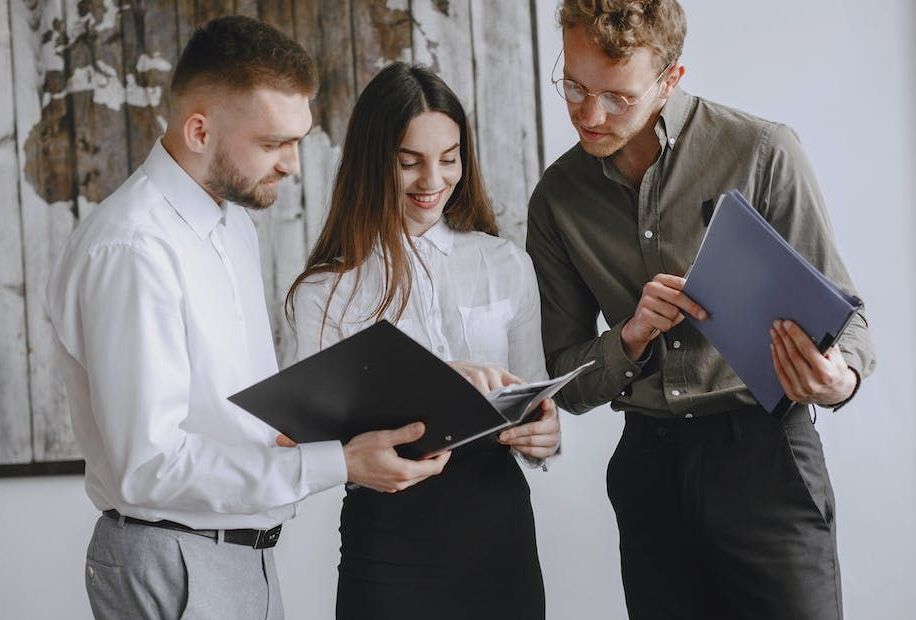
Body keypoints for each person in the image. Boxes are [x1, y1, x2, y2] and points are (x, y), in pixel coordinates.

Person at [46, 16, 446, 620]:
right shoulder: (133, 249)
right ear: (199, 130)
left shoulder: (231, 223)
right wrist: (339, 463)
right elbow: (149, 466)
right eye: (272, 144)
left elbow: (222, 413)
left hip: (239, 555)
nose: (292, 165)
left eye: (297, 141)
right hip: (174, 559)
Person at [526, 1, 876, 619]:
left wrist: (835, 377)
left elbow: (848, 324)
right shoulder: (557, 198)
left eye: (617, 97)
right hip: (650, 469)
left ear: (669, 80)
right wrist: (628, 338)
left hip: (765, 459)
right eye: (574, 85)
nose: (588, 113)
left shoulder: (763, 152)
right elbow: (565, 382)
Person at [286, 62, 560, 620]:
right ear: (372, 162)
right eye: (409, 162)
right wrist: (439, 385)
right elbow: (311, 443)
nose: (433, 180)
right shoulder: (325, 291)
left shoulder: (505, 264)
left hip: (498, 527)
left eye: (450, 157)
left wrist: (546, 436)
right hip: (390, 539)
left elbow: (533, 404)